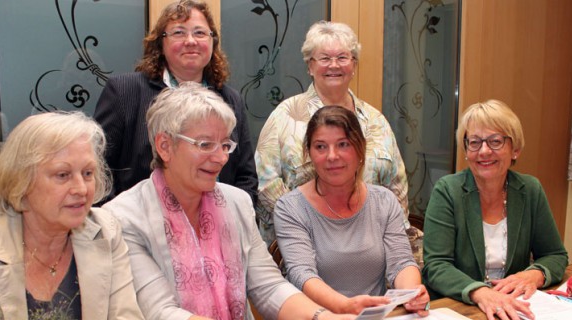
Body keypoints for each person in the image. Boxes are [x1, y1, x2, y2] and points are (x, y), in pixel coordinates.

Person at [103, 83, 355, 320]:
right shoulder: (124, 218)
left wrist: (323, 316)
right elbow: (161, 312)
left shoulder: (237, 203)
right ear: (165, 146)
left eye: (225, 144)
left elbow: (269, 286)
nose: (221, 158)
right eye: (205, 145)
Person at [0, 112, 144, 319]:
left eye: (88, 173)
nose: (81, 189)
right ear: (21, 181)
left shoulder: (106, 232)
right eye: (63, 175)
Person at [254, 21, 418, 255]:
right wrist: (307, 230)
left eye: (342, 57)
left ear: (354, 65)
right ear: (310, 66)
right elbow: (265, 184)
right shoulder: (285, 116)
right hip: (302, 249)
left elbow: (397, 187)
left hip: (370, 250)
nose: (334, 65)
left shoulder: (376, 120)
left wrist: (393, 244)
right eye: (324, 58)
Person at [94, 0, 257, 204]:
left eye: (199, 33)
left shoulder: (231, 100)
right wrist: (116, 225)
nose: (190, 41)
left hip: (215, 225)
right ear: (160, 43)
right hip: (139, 226)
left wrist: (233, 218)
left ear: (213, 42)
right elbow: (97, 169)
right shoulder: (124, 92)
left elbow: (246, 176)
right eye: (179, 33)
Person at [274, 106, 429, 316]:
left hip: (376, 315)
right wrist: (345, 307)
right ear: (309, 153)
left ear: (360, 149)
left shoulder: (384, 201)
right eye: (320, 146)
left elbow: (401, 262)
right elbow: (302, 274)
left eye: (343, 144)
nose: (332, 156)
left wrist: (412, 293)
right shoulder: (290, 208)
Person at [422, 99, 568, 320]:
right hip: (458, 308)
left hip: (515, 307)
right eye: (474, 142)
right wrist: (480, 292)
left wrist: (535, 275)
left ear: (515, 149)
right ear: (466, 150)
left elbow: (554, 255)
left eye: (495, 141)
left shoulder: (530, 190)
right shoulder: (447, 191)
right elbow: (436, 266)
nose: (484, 151)